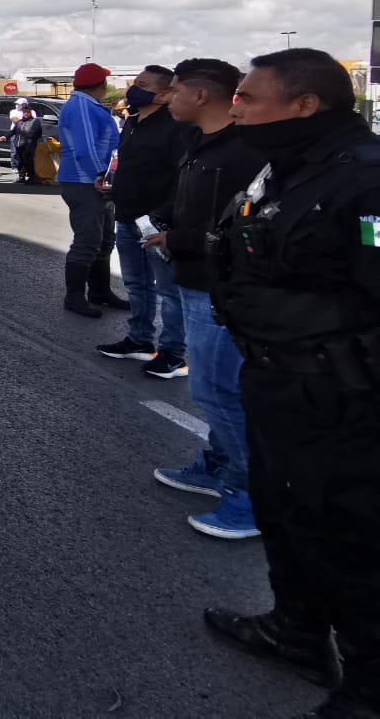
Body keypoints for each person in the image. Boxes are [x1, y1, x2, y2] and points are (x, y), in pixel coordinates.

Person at [200, 48, 380, 717]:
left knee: (350, 541)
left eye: (249, 97)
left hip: (342, 399)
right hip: (277, 382)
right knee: (286, 516)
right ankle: (296, 631)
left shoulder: (365, 180)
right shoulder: (289, 167)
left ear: (305, 105)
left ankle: (367, 689)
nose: (237, 106)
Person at [146, 58, 265, 540]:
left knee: (218, 392)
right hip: (194, 277)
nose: (165, 97)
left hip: (222, 287)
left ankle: (252, 495)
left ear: (200, 95)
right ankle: (218, 466)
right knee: (214, 390)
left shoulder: (245, 151)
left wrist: (180, 241)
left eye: (173, 90)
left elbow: (244, 229)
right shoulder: (200, 143)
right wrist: (164, 223)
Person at [97, 65, 190, 378]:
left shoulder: (176, 126)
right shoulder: (133, 121)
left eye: (141, 84)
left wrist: (162, 216)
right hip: (127, 214)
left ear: (164, 94)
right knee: (136, 284)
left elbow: (183, 177)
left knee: (168, 290)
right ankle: (140, 341)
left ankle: (173, 353)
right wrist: (111, 184)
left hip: (157, 222)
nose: (131, 89)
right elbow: (129, 164)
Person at [57, 63, 124, 318]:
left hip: (94, 180)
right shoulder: (82, 106)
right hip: (85, 181)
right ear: (101, 85)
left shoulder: (88, 105)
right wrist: (100, 175)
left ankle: (100, 291)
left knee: (105, 240)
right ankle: (74, 297)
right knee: (88, 241)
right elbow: (85, 148)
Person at [12, 101, 44, 184]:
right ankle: (21, 176)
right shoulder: (20, 122)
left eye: (27, 112)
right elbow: (13, 131)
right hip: (19, 143)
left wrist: (31, 139)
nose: (25, 114)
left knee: (28, 161)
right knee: (20, 161)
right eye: (24, 112)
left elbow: (38, 133)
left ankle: (31, 177)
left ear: (30, 113)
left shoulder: (34, 121)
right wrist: (5, 137)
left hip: (29, 144)